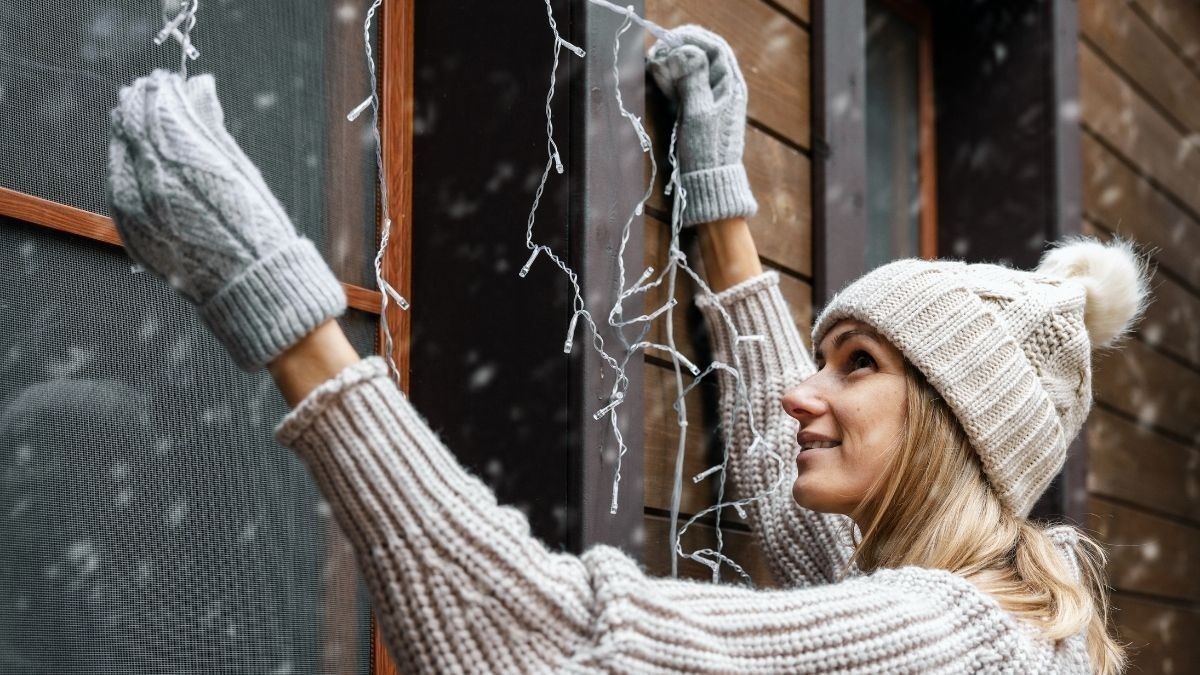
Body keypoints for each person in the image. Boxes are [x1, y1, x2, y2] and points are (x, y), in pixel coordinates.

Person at [105, 25, 1140, 674]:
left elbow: (547, 652)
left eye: (859, 364)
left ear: (956, 432)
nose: (798, 396)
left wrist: (283, 309)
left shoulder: (938, 640)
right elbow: (786, 487)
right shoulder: (1019, 616)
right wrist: (720, 205)